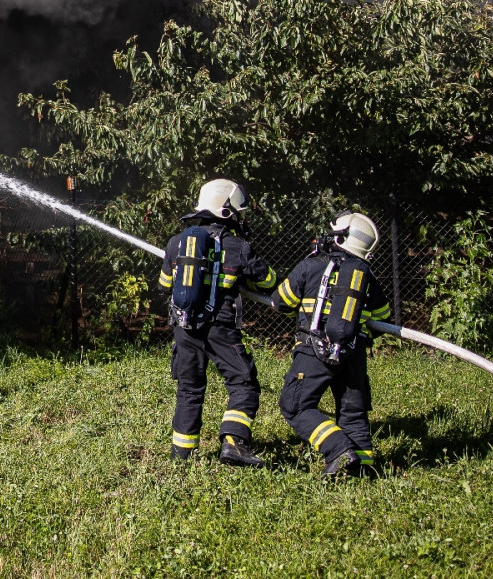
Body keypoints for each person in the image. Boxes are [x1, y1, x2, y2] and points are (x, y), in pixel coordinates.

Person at [157, 179, 279, 467]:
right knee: (243, 382)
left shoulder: (176, 243)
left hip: (184, 326)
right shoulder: (238, 246)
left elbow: (164, 285)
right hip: (219, 327)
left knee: (189, 388)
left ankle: (181, 455)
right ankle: (234, 443)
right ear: (228, 211)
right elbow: (268, 281)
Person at [276, 212, 391, 477]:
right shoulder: (366, 276)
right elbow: (382, 317)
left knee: (295, 406)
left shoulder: (311, 266)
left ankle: (338, 449)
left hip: (313, 350)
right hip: (354, 354)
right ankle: (363, 471)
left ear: (340, 238)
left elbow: (280, 301)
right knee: (353, 412)